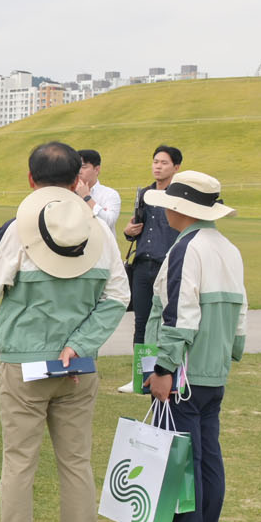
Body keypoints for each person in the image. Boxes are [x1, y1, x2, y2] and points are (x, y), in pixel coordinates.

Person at [0, 141, 129, 522]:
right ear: (78, 179)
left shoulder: (21, 230)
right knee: (76, 464)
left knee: (19, 465)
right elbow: (118, 296)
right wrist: (80, 343)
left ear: (30, 179)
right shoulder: (99, 231)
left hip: (24, 364)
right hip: (77, 366)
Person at [127, 170, 248, 522]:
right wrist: (229, 352)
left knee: (180, 458)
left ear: (182, 208)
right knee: (207, 454)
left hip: (183, 371)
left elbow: (180, 314)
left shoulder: (187, 248)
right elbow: (241, 311)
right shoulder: (228, 248)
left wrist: (164, 367)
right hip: (212, 369)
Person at [120, 145, 183, 388]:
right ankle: (140, 377)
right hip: (142, 266)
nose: (158, 166)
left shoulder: (178, 197)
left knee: (168, 322)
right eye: (155, 161)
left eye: (164, 163)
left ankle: (166, 373)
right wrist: (128, 232)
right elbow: (135, 229)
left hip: (167, 266)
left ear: (176, 167)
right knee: (141, 322)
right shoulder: (145, 194)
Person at [76, 149, 120, 232]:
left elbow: (109, 222)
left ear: (96, 170)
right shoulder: (68, 192)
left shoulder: (110, 194)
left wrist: (86, 197)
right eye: (76, 167)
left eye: (83, 167)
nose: (79, 171)